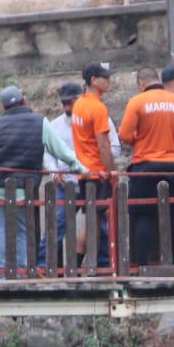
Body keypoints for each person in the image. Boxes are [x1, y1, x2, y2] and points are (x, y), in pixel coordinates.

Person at [0, 85, 78, 271]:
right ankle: (22, 270)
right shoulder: (39, 122)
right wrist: (80, 167)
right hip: (24, 189)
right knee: (22, 230)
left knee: (1, 229)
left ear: (4, 107)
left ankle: (3, 271)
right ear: (24, 101)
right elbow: (59, 151)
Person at [119, 67, 174, 266]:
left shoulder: (137, 102)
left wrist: (142, 139)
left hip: (144, 165)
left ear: (141, 84)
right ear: (158, 79)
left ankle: (144, 265)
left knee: (143, 216)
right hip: (170, 165)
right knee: (173, 215)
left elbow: (124, 135)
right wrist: (168, 140)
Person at [37, 82, 88, 269]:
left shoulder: (96, 118)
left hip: (90, 181)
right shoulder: (55, 126)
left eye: (70, 102)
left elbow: (112, 146)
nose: (66, 106)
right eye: (64, 102)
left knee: (100, 227)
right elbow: (47, 152)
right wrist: (54, 171)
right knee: (55, 226)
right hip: (64, 184)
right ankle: (44, 266)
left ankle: (98, 265)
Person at [71, 62, 116, 269]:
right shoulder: (98, 108)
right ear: (93, 80)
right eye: (104, 78)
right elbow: (103, 144)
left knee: (92, 221)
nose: (108, 81)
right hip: (97, 172)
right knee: (95, 223)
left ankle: (80, 265)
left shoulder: (79, 104)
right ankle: (87, 266)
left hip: (84, 171)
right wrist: (111, 171)